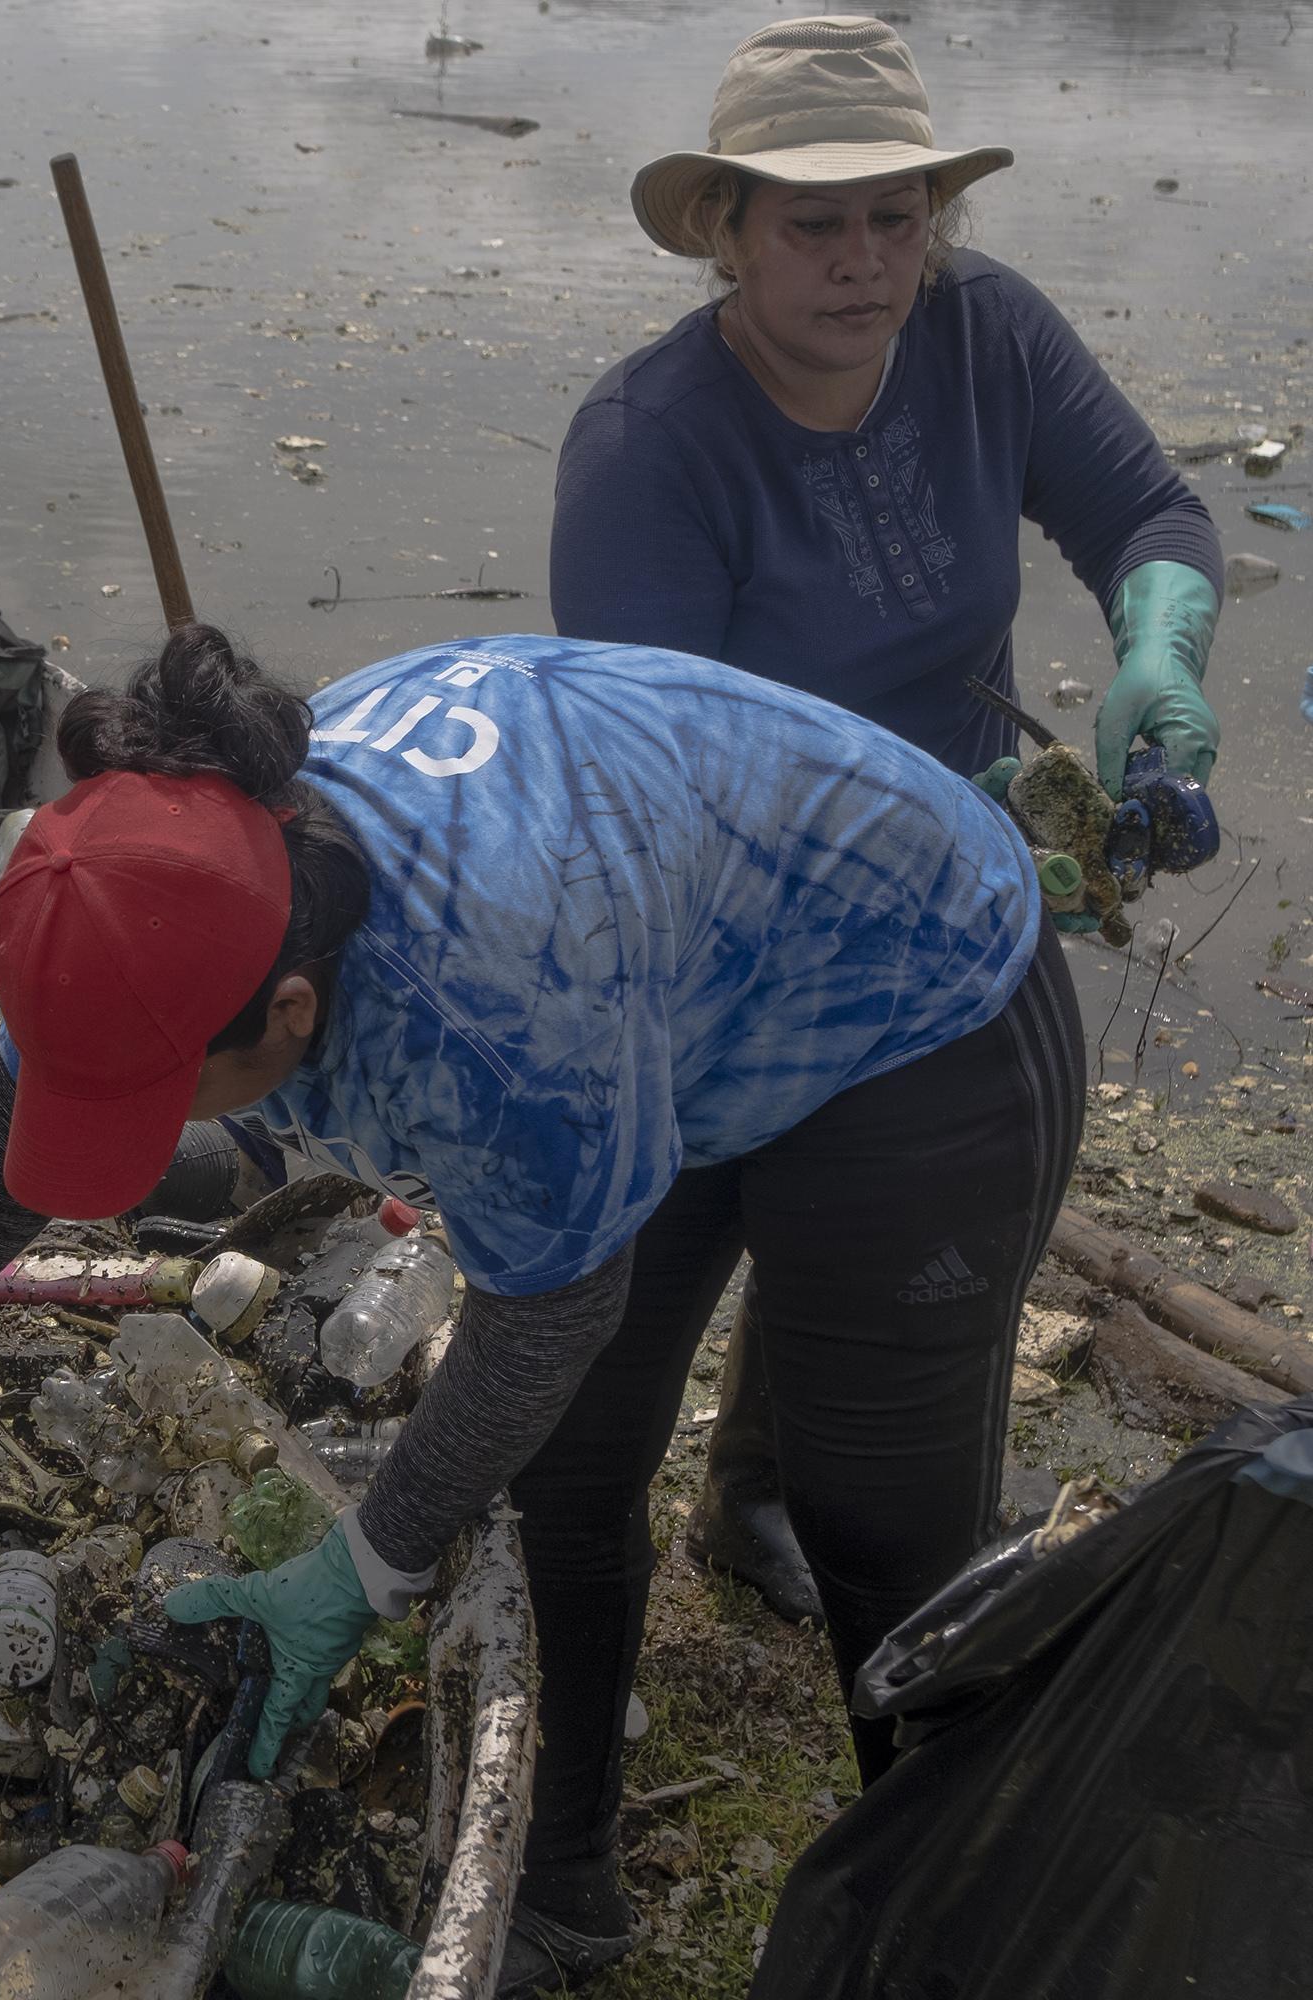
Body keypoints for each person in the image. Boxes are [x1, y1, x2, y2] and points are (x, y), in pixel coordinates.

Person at [0, 627, 1081, 1994]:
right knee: (567, 1470)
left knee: (883, 1532)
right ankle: (564, 1888)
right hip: (671, 966)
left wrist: (360, 1571)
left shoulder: (487, 1018)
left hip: (917, 986)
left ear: (295, 1010)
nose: (145, 1122)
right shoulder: (131, 902)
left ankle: (953, 1933)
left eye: (164, 1096)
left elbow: (546, 1315)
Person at [548, 13, 1220, 1623]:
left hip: (959, 919)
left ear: (938, 218)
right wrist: (934, 824)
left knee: (884, 1252)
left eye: (895, 216)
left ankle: (763, 1485)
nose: (863, 261)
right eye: (813, 221)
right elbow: (660, 793)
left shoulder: (985, 334)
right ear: (725, 228)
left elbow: (1148, 508)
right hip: (715, 961)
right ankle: (592, 1608)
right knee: (619, 1353)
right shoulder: (647, 453)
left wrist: (1157, 647)